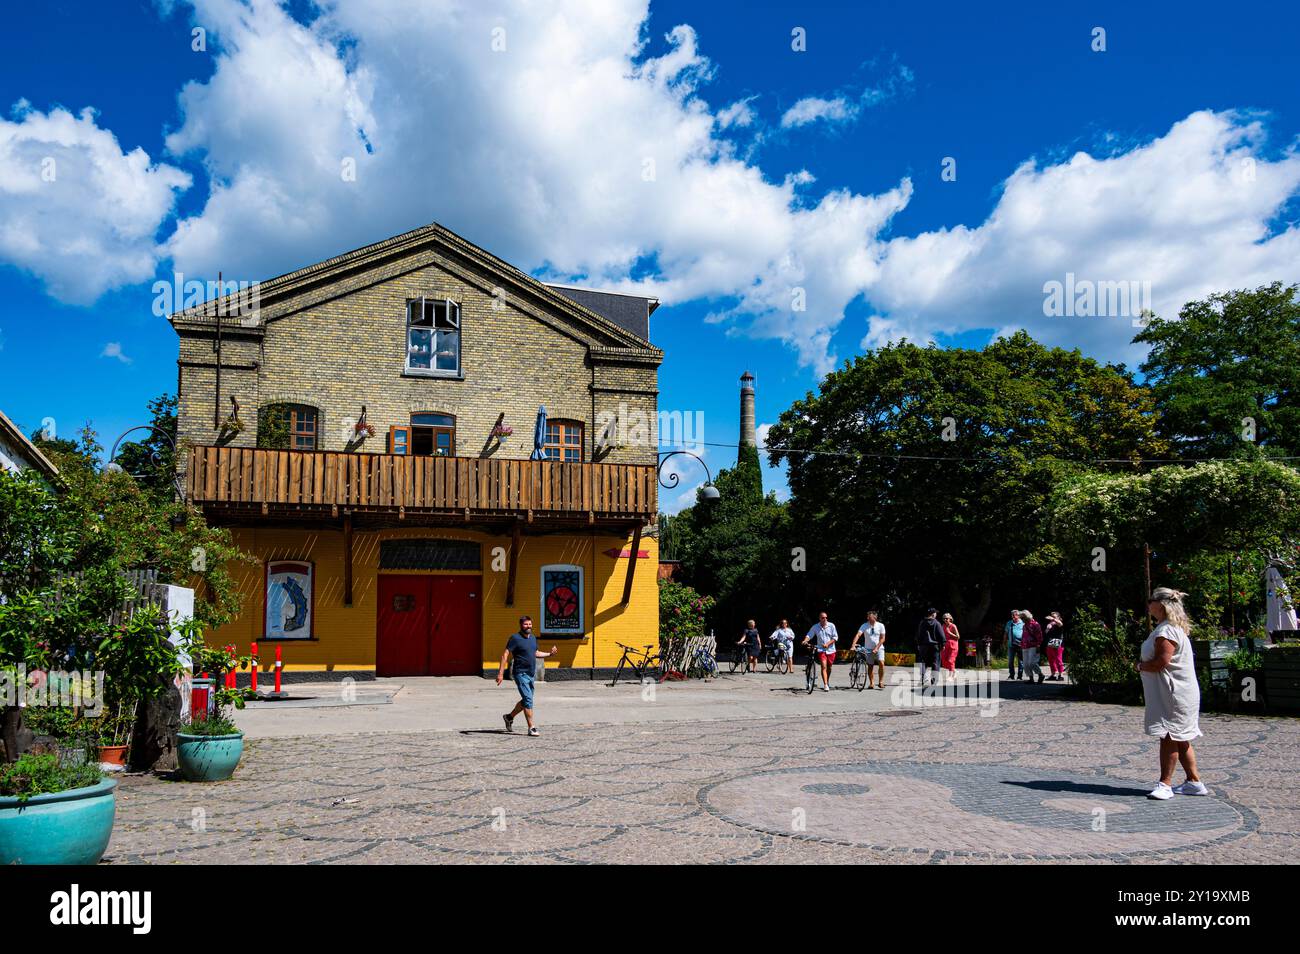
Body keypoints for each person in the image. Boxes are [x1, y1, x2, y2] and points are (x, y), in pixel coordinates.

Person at [1138, 588, 1208, 800]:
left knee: (1169, 735)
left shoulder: (1166, 631)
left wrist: (1140, 666)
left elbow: (1161, 662)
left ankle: (1165, 784)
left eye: (1151, 600)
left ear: (1161, 605)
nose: (1148, 604)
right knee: (1181, 736)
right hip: (1180, 691)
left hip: (1172, 692)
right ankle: (1194, 782)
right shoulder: (1172, 628)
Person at [497, 616, 557, 737]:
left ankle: (509, 717)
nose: (528, 626)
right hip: (520, 673)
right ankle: (531, 727)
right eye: (526, 624)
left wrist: (550, 654)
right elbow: (505, 655)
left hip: (531, 673)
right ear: (521, 625)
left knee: (526, 700)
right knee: (528, 699)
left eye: (530, 624)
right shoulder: (515, 638)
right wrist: (501, 673)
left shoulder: (533, 638)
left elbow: (535, 653)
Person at [849, 610, 887, 689]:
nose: (868, 619)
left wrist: (876, 648)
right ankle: (872, 683)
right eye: (868, 617)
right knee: (870, 666)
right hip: (868, 649)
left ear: (875, 617)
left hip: (879, 648)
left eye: (870, 617)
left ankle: (880, 682)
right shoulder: (864, 625)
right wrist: (853, 645)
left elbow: (883, 638)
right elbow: (858, 635)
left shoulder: (880, 625)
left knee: (881, 663)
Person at [803, 612, 839, 692]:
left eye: (826, 617)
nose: (825, 619)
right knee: (823, 666)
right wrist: (805, 640)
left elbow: (835, 637)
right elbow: (809, 635)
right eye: (823, 618)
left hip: (831, 650)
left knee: (829, 667)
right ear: (820, 618)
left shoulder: (831, 625)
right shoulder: (816, 627)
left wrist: (828, 644)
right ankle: (825, 684)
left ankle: (827, 680)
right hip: (821, 649)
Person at [914, 609, 945, 686]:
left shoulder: (922, 623)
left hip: (924, 646)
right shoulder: (937, 623)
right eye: (935, 613)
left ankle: (923, 679)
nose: (936, 615)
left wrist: (918, 644)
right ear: (933, 614)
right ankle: (934, 681)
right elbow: (941, 635)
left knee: (923, 662)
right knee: (935, 663)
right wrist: (943, 644)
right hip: (935, 646)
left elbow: (919, 634)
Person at [1020, 609, 1044, 683]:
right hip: (1025, 646)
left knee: (1032, 663)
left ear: (1026, 617)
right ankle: (1031, 678)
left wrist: (1038, 645)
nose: (1021, 620)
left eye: (1022, 618)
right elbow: (1024, 635)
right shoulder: (1024, 625)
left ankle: (1040, 674)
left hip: (1033, 646)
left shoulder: (1035, 624)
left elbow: (1039, 636)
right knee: (1026, 664)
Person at [1044, 611, 1066, 681]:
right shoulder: (1051, 624)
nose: (1052, 618)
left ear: (1058, 617)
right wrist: (1048, 628)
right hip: (1050, 643)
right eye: (1052, 616)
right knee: (1051, 660)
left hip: (1058, 643)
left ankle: (1060, 675)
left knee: (1058, 660)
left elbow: (1060, 623)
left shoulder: (1059, 623)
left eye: (1054, 617)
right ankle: (1053, 675)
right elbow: (1046, 632)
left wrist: (1053, 620)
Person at [1004, 610, 1024, 680]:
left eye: (1014, 615)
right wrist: (1004, 642)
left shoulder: (1023, 623)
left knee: (1021, 661)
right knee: (1010, 661)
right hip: (1011, 645)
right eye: (1012, 615)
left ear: (1018, 616)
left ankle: (1020, 676)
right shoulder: (1009, 623)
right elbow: (1006, 633)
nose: (1013, 616)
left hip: (1020, 645)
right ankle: (1011, 675)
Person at [940, 613, 961, 677]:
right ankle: (954, 671)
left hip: (953, 645)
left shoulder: (953, 626)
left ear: (950, 619)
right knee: (944, 661)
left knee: (950, 660)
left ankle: (950, 676)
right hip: (945, 645)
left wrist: (949, 633)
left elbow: (958, 637)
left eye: (947, 618)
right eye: (944, 618)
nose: (945, 620)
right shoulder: (942, 626)